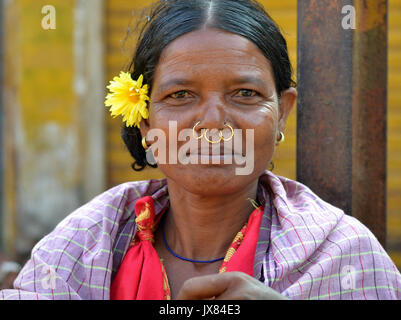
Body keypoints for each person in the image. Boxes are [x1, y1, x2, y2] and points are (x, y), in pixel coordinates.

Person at [1, 0, 400, 300]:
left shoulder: (342, 254)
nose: (212, 122)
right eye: (181, 95)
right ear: (145, 124)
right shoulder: (82, 245)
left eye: (245, 93)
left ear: (282, 114)